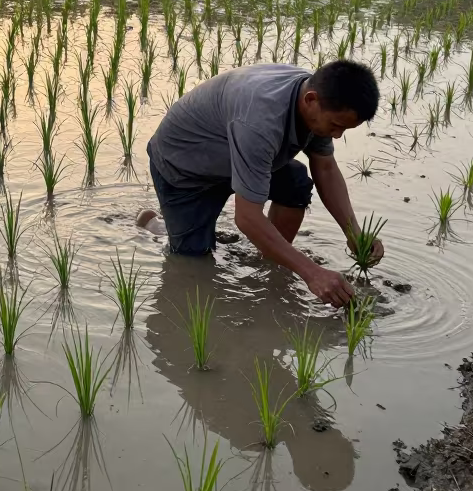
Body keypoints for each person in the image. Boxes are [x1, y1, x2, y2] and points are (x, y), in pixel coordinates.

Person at [138, 59, 382, 307]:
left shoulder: (319, 98)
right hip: (184, 169)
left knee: (295, 183)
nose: (337, 135)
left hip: (235, 156)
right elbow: (246, 218)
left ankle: (269, 260)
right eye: (336, 126)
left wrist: (355, 234)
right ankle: (155, 226)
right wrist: (312, 272)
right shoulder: (261, 118)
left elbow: (326, 168)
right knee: (193, 261)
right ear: (311, 100)